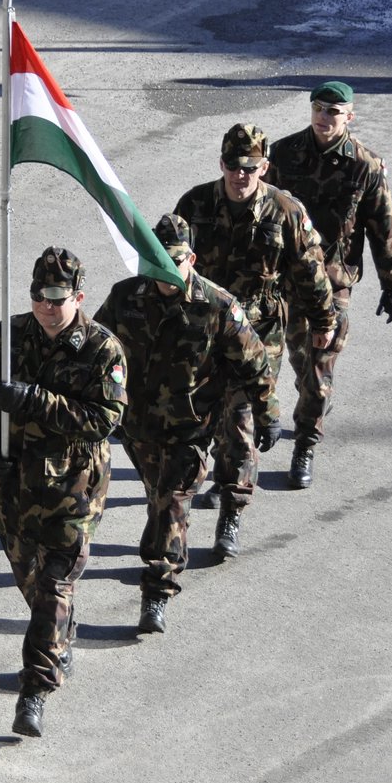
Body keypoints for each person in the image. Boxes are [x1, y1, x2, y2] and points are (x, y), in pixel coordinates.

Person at [0, 247, 126, 738]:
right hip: (14, 488)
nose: (46, 307)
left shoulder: (102, 350)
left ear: (78, 296)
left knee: (54, 585)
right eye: (38, 296)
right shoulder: (8, 337)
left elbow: (105, 419)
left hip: (72, 493)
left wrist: (36, 401)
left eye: (56, 298)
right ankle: (59, 636)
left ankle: (33, 689)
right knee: (31, 582)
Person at [92, 214, 274, 636]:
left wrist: (267, 412)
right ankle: (162, 545)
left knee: (172, 501)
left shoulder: (217, 305)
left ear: (190, 257)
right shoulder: (126, 297)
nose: (165, 271)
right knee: (158, 496)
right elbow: (98, 348)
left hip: (189, 430)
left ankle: (157, 589)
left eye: (174, 261)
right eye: (156, 261)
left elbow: (255, 362)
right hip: (138, 428)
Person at [176, 122, 336, 561]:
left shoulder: (284, 210)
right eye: (232, 165)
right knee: (196, 420)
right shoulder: (195, 204)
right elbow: (169, 268)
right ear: (221, 164)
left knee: (241, 422)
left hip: (258, 337)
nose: (240, 175)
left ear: (264, 166)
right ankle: (201, 488)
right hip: (203, 335)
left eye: (250, 167)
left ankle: (232, 510)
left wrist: (324, 319)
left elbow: (310, 269)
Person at [266, 82, 392, 490]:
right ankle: (297, 408)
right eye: (319, 108)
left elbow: (382, 229)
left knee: (319, 365)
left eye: (334, 111)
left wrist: (391, 283)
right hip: (285, 276)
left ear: (349, 117)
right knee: (290, 358)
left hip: (332, 282)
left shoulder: (366, 165)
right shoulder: (282, 154)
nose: (325, 117)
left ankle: (306, 441)